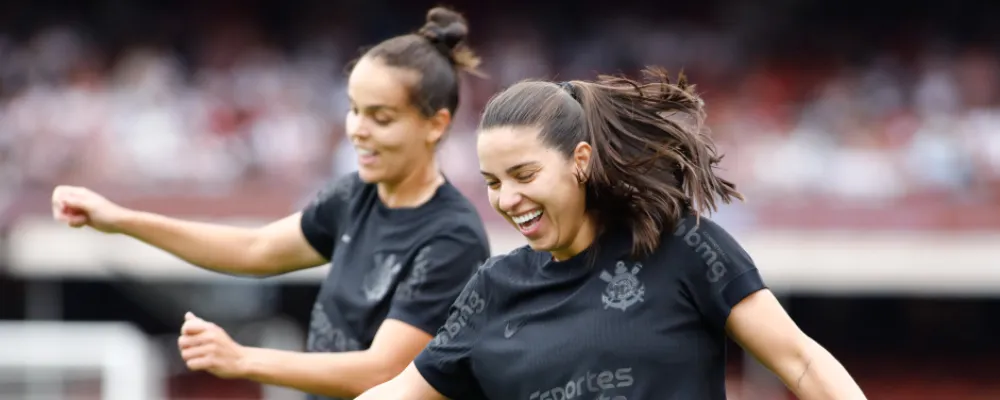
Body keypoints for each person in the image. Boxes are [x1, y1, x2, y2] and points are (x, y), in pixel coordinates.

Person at [50, 7, 491, 400]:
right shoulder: (354, 195)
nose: (358, 129)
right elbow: (253, 249)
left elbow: (385, 372)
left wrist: (243, 360)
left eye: (381, 117)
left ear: (436, 125)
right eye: (354, 109)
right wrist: (120, 220)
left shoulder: (453, 237)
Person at [356, 68, 867, 400]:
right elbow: (400, 393)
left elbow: (800, 363)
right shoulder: (492, 288)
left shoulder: (684, 247)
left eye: (525, 176)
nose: (507, 199)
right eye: (492, 182)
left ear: (580, 161)